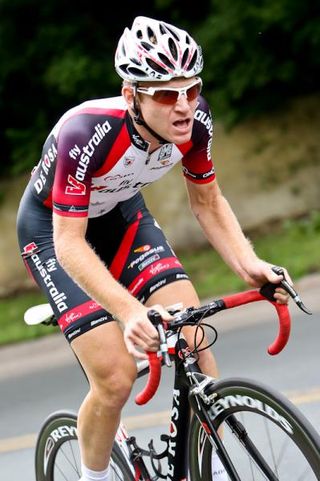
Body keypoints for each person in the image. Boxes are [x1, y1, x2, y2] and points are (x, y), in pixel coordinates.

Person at [17, 16, 291, 481]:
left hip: (123, 217)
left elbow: (207, 201)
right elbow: (69, 243)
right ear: (132, 97)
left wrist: (251, 265)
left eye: (192, 88)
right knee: (116, 379)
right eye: (166, 94)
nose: (183, 105)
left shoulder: (195, 120)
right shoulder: (82, 132)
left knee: (195, 341)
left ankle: (211, 470)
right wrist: (129, 312)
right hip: (55, 232)